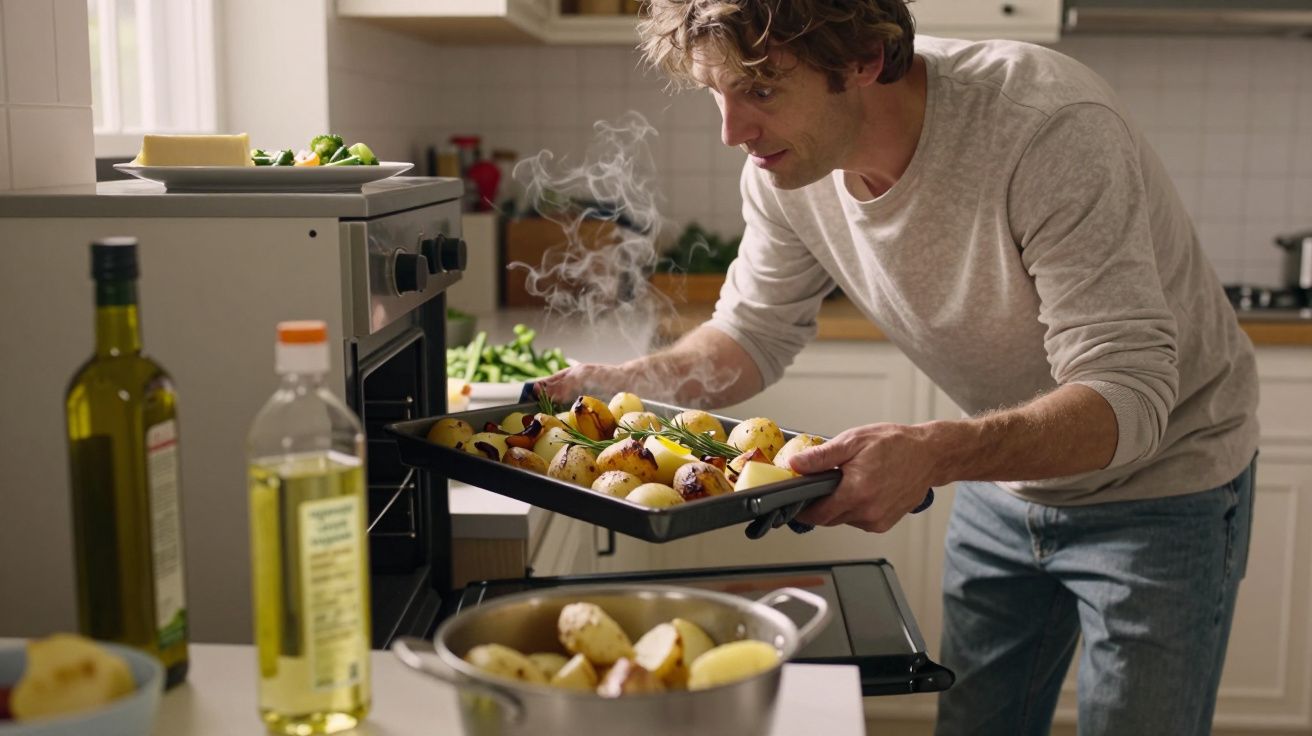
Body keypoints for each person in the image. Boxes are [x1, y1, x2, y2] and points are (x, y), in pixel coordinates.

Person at [535, 2, 1259, 734]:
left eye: (760, 91)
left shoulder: (1046, 126)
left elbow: (1129, 397)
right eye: (716, 94)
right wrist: (620, 386)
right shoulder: (785, 166)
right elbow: (751, 335)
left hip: (1166, 484)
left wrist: (935, 453)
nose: (733, 132)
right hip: (999, 474)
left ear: (865, 61)